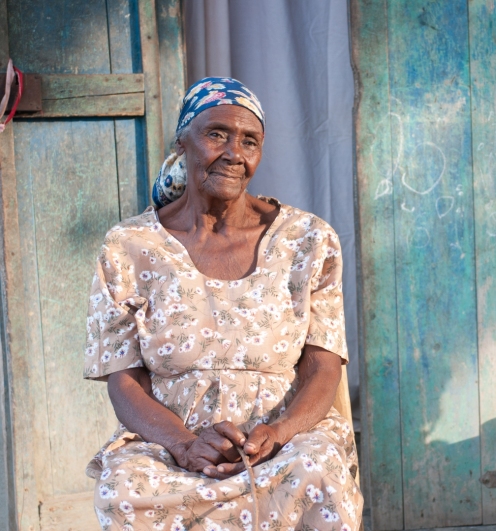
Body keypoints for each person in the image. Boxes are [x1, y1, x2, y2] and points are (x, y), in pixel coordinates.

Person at [83, 77, 362, 531]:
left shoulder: (308, 241)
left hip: (282, 440)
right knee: (125, 490)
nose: (234, 153)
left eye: (249, 141)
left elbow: (324, 366)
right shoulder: (128, 247)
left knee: (318, 471)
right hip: (169, 443)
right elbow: (124, 380)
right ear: (183, 142)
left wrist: (279, 433)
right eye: (217, 134)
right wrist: (185, 443)